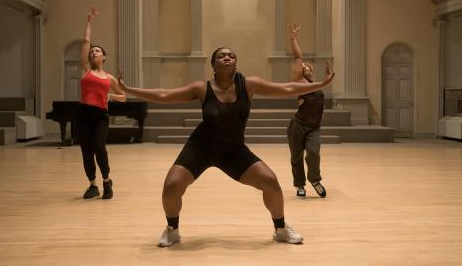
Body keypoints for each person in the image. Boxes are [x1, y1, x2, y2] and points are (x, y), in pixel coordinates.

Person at [118, 46, 333, 246]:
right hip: (201, 147)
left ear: (236, 63)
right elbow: (164, 95)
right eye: (221, 55)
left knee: (271, 182)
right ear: (213, 66)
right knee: (171, 186)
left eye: (230, 55)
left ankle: (281, 230)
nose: (227, 57)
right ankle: (172, 229)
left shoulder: (249, 84)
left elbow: (286, 88)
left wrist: (320, 85)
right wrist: (129, 89)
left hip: (233, 150)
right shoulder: (202, 88)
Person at [78, 6, 126, 200]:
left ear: (104, 57)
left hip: (100, 116)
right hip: (83, 115)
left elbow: (123, 97)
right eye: (92, 52)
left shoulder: (109, 77)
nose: (94, 53)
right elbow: (86, 41)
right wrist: (89, 21)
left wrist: (111, 97)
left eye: (97, 51)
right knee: (86, 151)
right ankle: (92, 185)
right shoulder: (85, 70)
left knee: (99, 147)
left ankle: (107, 181)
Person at [287, 24, 327, 198]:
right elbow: (298, 57)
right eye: (302, 68)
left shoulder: (318, 85)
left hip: (314, 127)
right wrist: (293, 39)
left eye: (307, 67)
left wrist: (327, 77)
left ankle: (315, 179)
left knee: (313, 153)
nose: (305, 68)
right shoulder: (299, 83)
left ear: (312, 71)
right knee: (296, 157)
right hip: (298, 126)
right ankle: (299, 185)